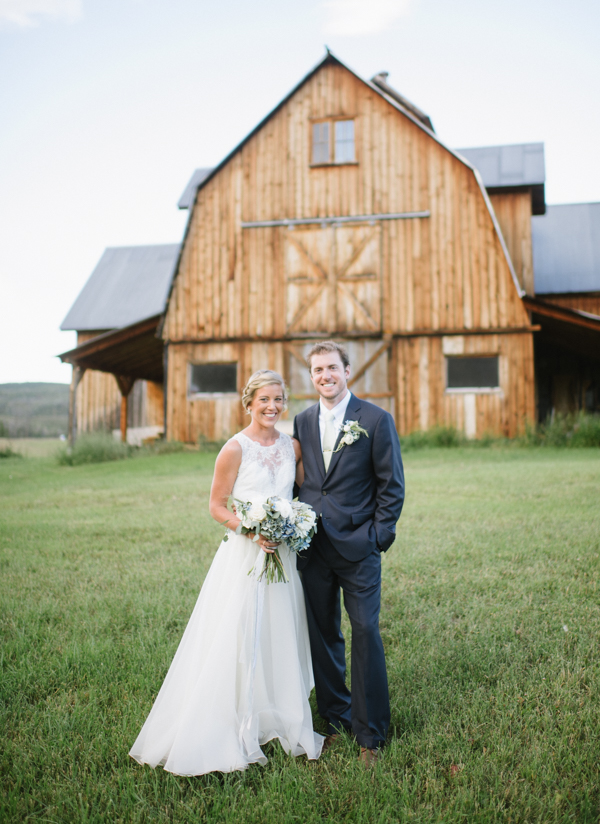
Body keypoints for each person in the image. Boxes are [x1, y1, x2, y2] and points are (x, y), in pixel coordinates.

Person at [129, 370, 323, 776]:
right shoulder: (234, 449)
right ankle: (230, 721)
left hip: (283, 557)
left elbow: (303, 494)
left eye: (278, 399)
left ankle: (280, 715)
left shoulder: (293, 447)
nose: (272, 407)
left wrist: (295, 521)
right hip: (245, 557)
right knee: (238, 633)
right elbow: (217, 506)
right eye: (264, 399)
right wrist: (251, 530)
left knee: (279, 631)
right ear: (248, 402)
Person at [293, 341, 405, 766]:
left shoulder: (375, 420)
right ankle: (336, 717)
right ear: (312, 376)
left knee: (366, 631)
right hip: (313, 548)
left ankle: (371, 733)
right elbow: (301, 480)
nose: (325, 376)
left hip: (359, 546)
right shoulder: (302, 421)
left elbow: (390, 484)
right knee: (322, 635)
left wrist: (377, 536)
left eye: (332, 368)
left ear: (347, 371)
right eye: (317, 370)